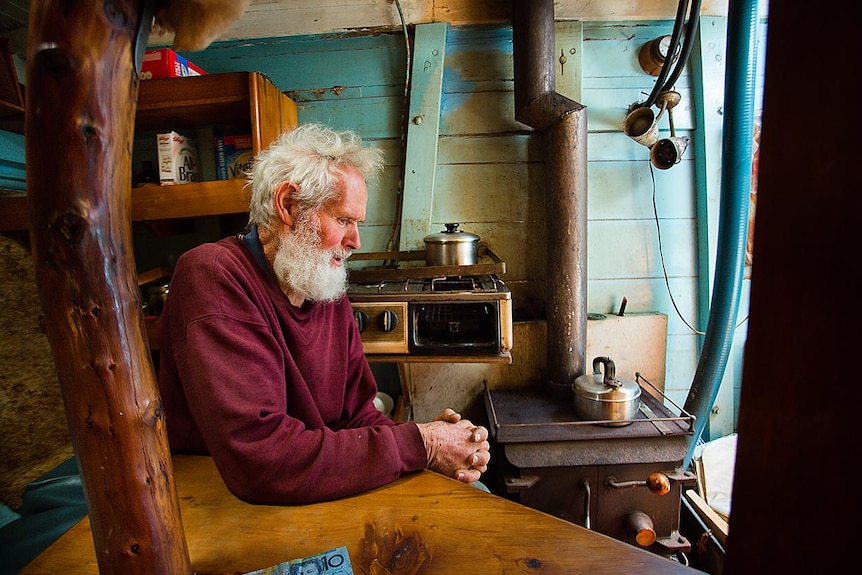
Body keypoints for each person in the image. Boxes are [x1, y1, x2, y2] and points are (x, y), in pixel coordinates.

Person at [156, 123, 490, 504]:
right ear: (288, 205)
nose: (355, 242)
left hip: (306, 480)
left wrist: (434, 453)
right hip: (213, 490)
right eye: (344, 220)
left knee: (470, 494)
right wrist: (420, 444)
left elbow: (357, 417)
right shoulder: (213, 275)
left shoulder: (322, 286)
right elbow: (261, 459)